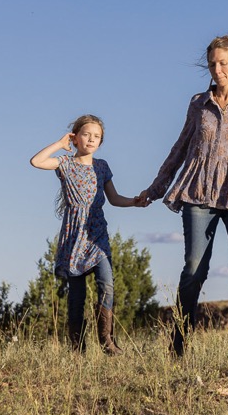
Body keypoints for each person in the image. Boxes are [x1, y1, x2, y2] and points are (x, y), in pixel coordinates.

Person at [138, 35, 228, 355]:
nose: (217, 69)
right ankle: (178, 344)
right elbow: (180, 148)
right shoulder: (197, 104)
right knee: (195, 268)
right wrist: (155, 189)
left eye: (223, 63)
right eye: (212, 64)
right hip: (199, 194)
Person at [31, 115, 147, 354]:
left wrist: (134, 203)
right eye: (86, 134)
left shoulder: (102, 166)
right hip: (74, 234)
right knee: (77, 295)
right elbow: (36, 161)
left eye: (97, 136)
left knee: (107, 283)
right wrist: (60, 143)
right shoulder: (65, 163)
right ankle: (77, 348)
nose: (91, 139)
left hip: (97, 233)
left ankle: (107, 341)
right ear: (75, 138)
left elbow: (114, 199)